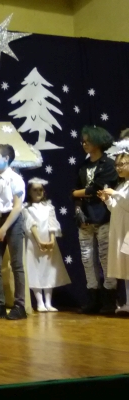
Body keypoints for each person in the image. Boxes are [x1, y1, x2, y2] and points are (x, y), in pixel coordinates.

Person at [72, 126, 118, 314]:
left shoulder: (108, 164)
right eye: (83, 141)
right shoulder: (83, 166)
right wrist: (77, 208)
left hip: (104, 217)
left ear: (98, 142)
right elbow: (76, 190)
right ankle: (93, 298)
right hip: (85, 219)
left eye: (88, 141)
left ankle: (109, 300)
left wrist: (77, 193)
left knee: (106, 258)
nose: (84, 144)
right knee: (87, 258)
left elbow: (97, 188)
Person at [0, 144, 27, 320]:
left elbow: (17, 207)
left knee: (16, 264)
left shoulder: (15, 179)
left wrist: (3, 229)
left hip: (12, 222)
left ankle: (20, 306)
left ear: (6, 158)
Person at [22, 178, 71, 312]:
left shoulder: (49, 207)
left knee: (49, 270)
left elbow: (52, 224)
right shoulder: (26, 208)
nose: (38, 192)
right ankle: (40, 302)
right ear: (29, 192)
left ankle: (48, 302)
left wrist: (52, 241)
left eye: (40, 189)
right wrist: (39, 241)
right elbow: (31, 225)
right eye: (35, 190)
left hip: (49, 243)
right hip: (33, 243)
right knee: (35, 270)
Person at [99, 140, 129, 314]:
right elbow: (117, 209)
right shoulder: (122, 185)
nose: (118, 168)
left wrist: (115, 194)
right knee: (126, 267)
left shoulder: (122, 188)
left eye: (122, 164)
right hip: (121, 228)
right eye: (116, 165)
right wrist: (108, 200)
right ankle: (128, 302)